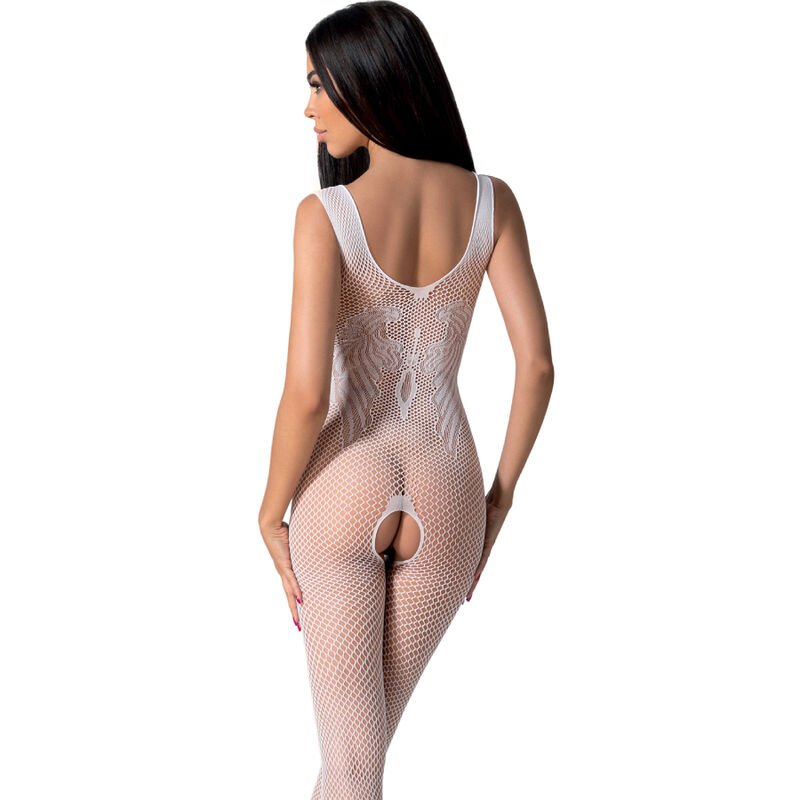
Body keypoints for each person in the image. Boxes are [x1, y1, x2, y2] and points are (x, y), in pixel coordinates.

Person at [257, 2, 554, 796]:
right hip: (450, 485)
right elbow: (537, 367)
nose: (309, 109)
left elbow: (306, 396)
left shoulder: (326, 216)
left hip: (343, 485)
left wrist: (269, 511)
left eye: (319, 85)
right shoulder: (491, 201)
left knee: (352, 763)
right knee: (357, 760)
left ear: (370, 82)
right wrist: (499, 499)